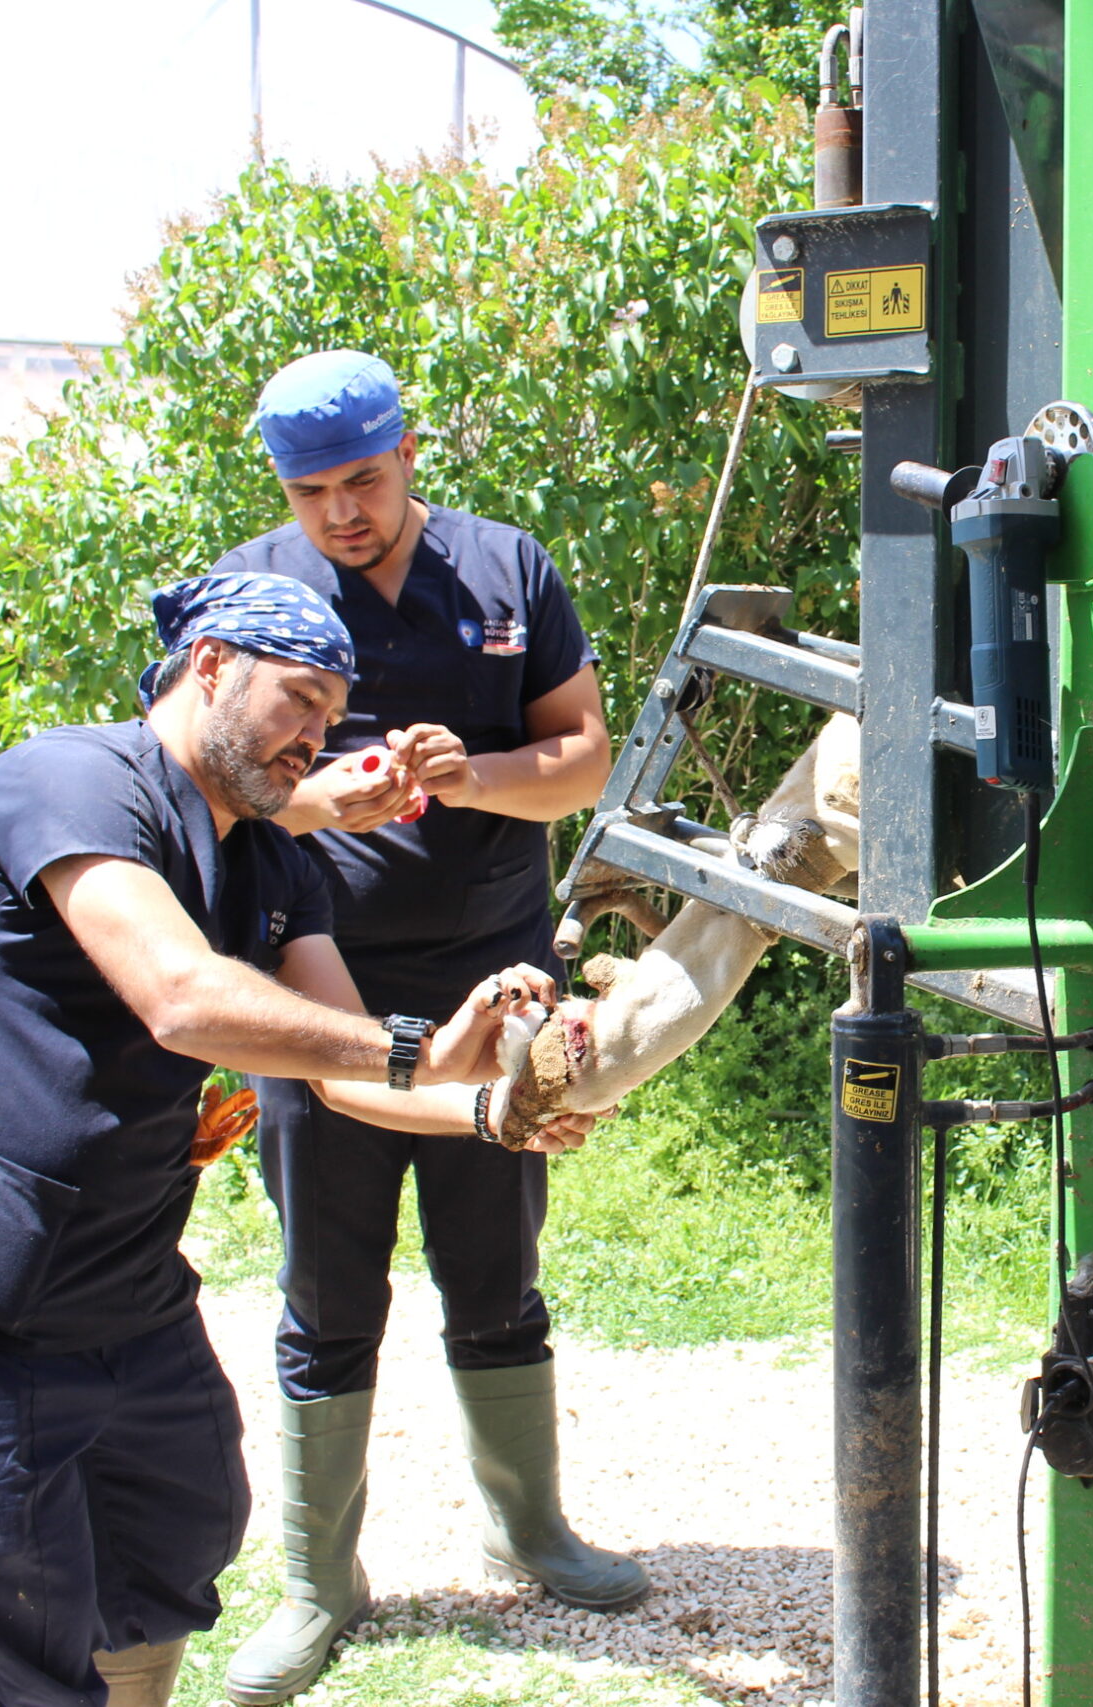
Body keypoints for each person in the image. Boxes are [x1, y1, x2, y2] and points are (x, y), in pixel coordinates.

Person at [0, 572, 584, 1707]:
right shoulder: (68, 784)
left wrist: (491, 1109)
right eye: (296, 698)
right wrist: (419, 1048)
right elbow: (181, 996)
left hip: (123, 1285)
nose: (313, 735)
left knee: (177, 1538)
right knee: (7, 1634)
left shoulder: (269, 860)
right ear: (209, 665)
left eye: (330, 713)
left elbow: (339, 1067)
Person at [211, 350, 634, 1705]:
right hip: (317, 990)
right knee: (327, 1290)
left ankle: (533, 1528)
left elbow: (585, 754)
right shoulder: (257, 594)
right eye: (313, 488)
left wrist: (481, 771)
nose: (341, 510)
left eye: (364, 479)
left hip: (498, 978)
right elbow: (199, 786)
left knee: (495, 1267)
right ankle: (317, 1583)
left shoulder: (509, 572)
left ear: (411, 456)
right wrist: (307, 800)